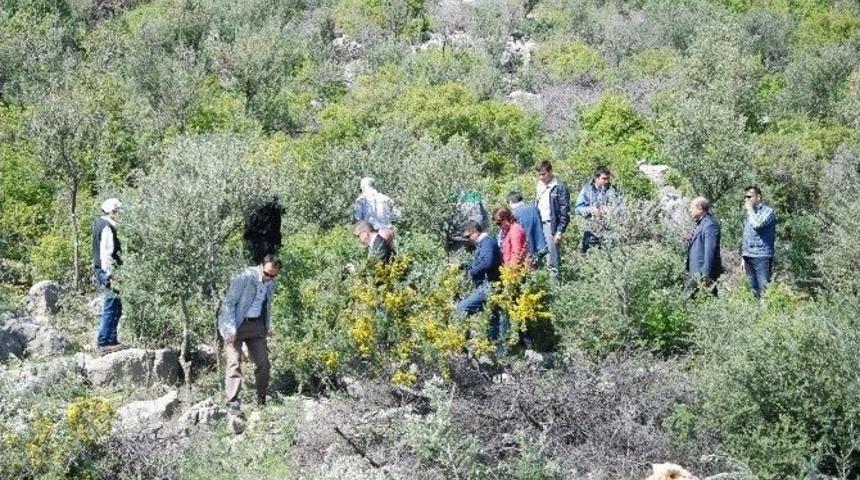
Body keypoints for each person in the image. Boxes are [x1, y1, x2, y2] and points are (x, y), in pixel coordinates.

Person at [219, 254, 280, 415]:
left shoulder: (272, 281)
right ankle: (233, 403)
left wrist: (267, 325)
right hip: (237, 324)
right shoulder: (246, 277)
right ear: (261, 266)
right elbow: (229, 303)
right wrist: (230, 328)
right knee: (234, 363)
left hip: (257, 326)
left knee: (264, 363)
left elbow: (267, 304)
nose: (269, 278)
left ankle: (261, 400)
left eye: (273, 275)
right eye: (267, 274)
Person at [93, 198, 125, 353]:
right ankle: (105, 342)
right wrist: (111, 275)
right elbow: (106, 254)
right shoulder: (107, 227)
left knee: (114, 306)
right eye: (117, 211)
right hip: (108, 273)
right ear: (112, 211)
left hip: (103, 272)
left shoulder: (101, 224)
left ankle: (110, 339)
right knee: (111, 306)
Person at [535, 161, 570, 279]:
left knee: (552, 259)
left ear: (550, 172)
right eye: (539, 174)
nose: (541, 177)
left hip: (551, 226)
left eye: (543, 174)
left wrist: (559, 231)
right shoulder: (539, 185)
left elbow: (564, 211)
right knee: (537, 257)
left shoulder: (559, 187)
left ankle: (555, 290)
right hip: (539, 224)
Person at [574, 165, 622, 253]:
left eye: (608, 178)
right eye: (604, 179)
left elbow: (621, 209)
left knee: (608, 256)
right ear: (596, 178)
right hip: (591, 229)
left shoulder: (613, 190)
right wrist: (591, 210)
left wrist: (611, 210)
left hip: (609, 230)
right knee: (589, 256)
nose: (606, 181)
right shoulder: (587, 189)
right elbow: (577, 208)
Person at [741, 186, 777, 298]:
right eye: (745, 197)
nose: (746, 200)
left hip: (762, 256)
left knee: (764, 289)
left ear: (758, 197)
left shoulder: (768, 211)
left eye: (749, 197)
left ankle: (767, 315)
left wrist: (750, 210)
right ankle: (755, 314)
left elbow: (758, 224)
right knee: (752, 291)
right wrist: (743, 256)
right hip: (748, 256)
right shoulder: (749, 213)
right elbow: (745, 235)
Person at [685, 197, 722, 298]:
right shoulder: (700, 223)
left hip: (703, 273)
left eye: (692, 207)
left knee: (693, 300)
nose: (690, 210)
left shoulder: (710, 225)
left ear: (700, 208)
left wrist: (706, 274)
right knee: (704, 300)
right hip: (695, 272)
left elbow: (710, 250)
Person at [507, 191, 547, 267]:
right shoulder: (534, 208)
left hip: (526, 250)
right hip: (539, 247)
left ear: (510, 202)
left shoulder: (514, 213)